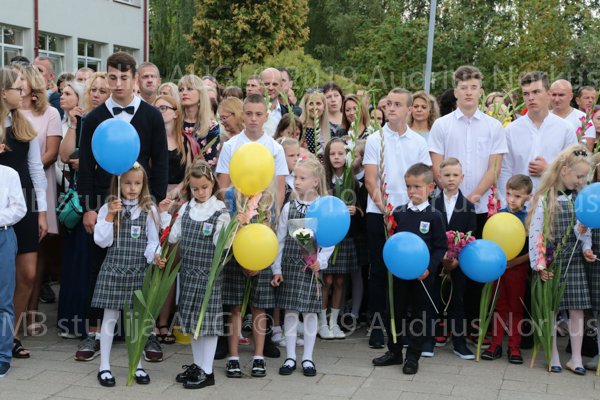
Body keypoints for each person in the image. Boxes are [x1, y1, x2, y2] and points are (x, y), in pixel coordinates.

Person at [77, 51, 168, 363]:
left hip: (141, 201)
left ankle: (147, 332)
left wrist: (154, 204)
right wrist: (89, 207)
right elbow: (85, 166)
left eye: (124, 78)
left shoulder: (151, 116)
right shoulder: (94, 118)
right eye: (112, 77)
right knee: (99, 264)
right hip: (105, 202)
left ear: (135, 79)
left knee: (144, 267)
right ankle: (94, 331)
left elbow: (160, 162)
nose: (118, 84)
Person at [429, 66, 507, 340]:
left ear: (481, 91)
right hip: (447, 208)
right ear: (456, 91)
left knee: (474, 264)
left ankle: (471, 324)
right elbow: (436, 166)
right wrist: (456, 197)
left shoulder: (493, 126)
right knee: (444, 263)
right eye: (464, 88)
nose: (469, 92)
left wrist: (471, 198)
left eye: (474, 87)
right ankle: (441, 322)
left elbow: (494, 168)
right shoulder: (442, 125)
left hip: (481, 207)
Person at [363, 88, 431, 348]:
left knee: (407, 270)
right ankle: (377, 327)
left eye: (397, 104)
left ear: (409, 109)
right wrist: (386, 209)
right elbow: (371, 180)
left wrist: (409, 209)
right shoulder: (375, 139)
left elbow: (423, 178)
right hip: (379, 213)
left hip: (410, 214)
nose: (391, 108)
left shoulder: (418, 142)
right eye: (388, 103)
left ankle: (403, 327)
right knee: (379, 270)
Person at [372, 163, 447, 375]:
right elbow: (394, 242)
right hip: (399, 275)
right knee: (394, 312)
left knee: (419, 315)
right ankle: (394, 351)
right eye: (408, 186)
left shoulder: (434, 216)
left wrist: (429, 269)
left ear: (430, 188)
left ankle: (413, 356)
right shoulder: (399, 213)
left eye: (417, 186)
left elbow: (440, 246)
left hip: (422, 277)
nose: (412, 191)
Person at [91, 163, 161, 387]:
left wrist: (156, 257)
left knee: (135, 321)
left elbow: (152, 242)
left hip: (137, 271)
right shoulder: (109, 208)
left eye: (137, 183)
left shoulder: (149, 209)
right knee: (110, 318)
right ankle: (104, 366)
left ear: (143, 185)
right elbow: (101, 241)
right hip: (114, 269)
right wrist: (110, 216)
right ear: (119, 183)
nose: (132, 188)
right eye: (128, 183)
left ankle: (137, 363)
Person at [165, 159, 231, 389]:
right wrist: (166, 213)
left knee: (208, 323)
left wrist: (230, 229)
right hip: (189, 275)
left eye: (204, 187)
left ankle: (207, 371)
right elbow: (173, 236)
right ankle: (197, 364)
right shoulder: (186, 208)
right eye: (195, 189)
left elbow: (222, 244)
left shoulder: (219, 211)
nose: (200, 192)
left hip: (209, 277)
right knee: (193, 321)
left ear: (212, 184)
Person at [527, 144, 591, 375]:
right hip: (552, 261)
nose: (581, 181)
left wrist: (586, 246)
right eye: (579, 176)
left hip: (574, 262)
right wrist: (539, 264)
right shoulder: (546, 198)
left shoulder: (580, 198)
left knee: (577, 309)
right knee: (551, 308)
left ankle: (576, 358)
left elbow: (584, 230)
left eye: (584, 177)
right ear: (564, 171)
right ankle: (552, 353)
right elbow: (536, 233)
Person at [0, 68, 48, 359]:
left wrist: (42, 212)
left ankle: (12, 335)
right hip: (1, 207)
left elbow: (36, 170)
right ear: (3, 91)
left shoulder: (23, 125)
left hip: (26, 205)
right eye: (18, 89)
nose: (23, 93)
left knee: (27, 274)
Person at [272, 157, 334, 377]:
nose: (296, 182)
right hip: (290, 266)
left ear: (315, 182)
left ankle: (307, 357)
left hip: (311, 268)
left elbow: (329, 239)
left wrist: (321, 261)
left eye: (302, 178)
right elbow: (280, 240)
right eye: (295, 177)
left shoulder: (324, 207)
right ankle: (290, 356)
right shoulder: (289, 207)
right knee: (290, 310)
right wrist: (277, 269)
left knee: (309, 312)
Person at [221, 185, 278, 379]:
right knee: (235, 307)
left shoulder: (268, 198)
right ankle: (233, 357)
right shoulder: (232, 196)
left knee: (258, 308)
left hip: (261, 260)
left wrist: (259, 264)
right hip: (236, 259)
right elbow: (227, 233)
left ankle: (259, 356)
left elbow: (270, 234)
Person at [423, 157, 476, 359]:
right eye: (447, 175)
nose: (451, 179)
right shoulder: (431, 204)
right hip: (436, 263)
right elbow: (428, 235)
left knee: (457, 301)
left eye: (455, 175)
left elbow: (471, 235)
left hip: (458, 263)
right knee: (432, 300)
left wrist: (456, 260)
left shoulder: (468, 206)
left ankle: (459, 343)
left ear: (462, 177)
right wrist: (440, 257)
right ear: (439, 178)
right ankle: (428, 340)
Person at [499, 72, 578, 200]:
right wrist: (506, 203)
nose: (531, 98)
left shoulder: (566, 129)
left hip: (555, 202)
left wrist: (548, 170)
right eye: (526, 94)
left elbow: (574, 171)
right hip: (520, 205)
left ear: (548, 94)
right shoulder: (511, 130)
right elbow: (505, 171)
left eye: (536, 92)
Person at [482, 174, 532, 364]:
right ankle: (495, 345)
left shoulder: (529, 220)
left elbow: (534, 251)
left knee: (516, 307)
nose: (512, 199)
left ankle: (514, 346)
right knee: (499, 305)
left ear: (528, 197)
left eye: (518, 196)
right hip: (499, 267)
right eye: (509, 194)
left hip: (517, 269)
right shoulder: (499, 216)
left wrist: (516, 262)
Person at [216, 94, 288, 210]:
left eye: (258, 114)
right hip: (236, 209)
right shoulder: (229, 146)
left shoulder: (276, 149)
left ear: (266, 116)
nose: (253, 118)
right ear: (242, 115)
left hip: (266, 209)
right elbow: (223, 187)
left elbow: (279, 190)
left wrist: (274, 215)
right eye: (249, 114)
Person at [320, 137, 361, 340]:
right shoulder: (323, 180)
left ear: (347, 156)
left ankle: (334, 322)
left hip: (346, 236)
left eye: (341, 153)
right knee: (326, 280)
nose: (337, 157)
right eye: (332, 154)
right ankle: (322, 322)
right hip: (327, 236)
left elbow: (361, 207)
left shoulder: (353, 181)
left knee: (340, 280)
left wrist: (356, 210)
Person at [0, 126, 27, 378]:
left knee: (3, 299)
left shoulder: (9, 175)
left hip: (3, 236)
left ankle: (3, 355)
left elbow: (19, 208)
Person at [581, 152, 600, 370]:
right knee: (596, 307)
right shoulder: (591, 195)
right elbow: (584, 226)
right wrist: (586, 247)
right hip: (595, 255)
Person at [178, 74, 220, 166]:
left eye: (189, 89)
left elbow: (209, 162)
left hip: (200, 173)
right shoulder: (174, 121)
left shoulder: (212, 126)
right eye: (181, 90)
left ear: (201, 93)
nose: (184, 92)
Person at [298, 90, 330, 156]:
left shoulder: (328, 130)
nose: (315, 107)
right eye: (311, 104)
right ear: (305, 106)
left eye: (318, 103)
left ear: (324, 107)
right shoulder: (299, 129)